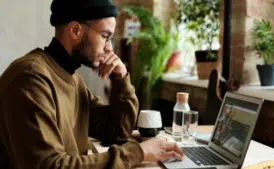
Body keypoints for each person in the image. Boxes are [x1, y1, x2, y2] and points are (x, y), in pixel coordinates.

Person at [0, 0, 184, 168]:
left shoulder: (72, 78)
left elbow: (116, 130)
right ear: (75, 31)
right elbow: (50, 165)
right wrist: (140, 152)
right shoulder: (31, 79)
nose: (109, 48)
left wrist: (121, 78)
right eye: (105, 36)